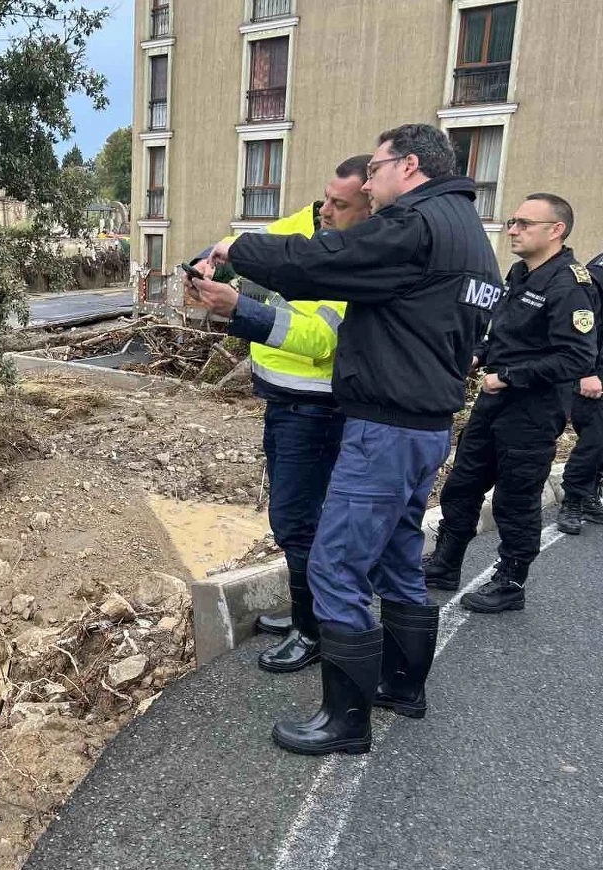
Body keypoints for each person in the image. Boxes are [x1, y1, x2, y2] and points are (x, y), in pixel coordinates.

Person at [200, 123, 501, 756]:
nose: (368, 181)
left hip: (387, 428)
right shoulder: (469, 233)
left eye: (377, 168)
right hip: (424, 427)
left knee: (336, 563)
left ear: (409, 165)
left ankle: (345, 720)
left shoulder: (415, 226)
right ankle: (403, 687)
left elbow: (318, 263)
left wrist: (238, 249)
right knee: (396, 558)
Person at [183, 155, 372, 674]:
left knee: (299, 521)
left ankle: (312, 631)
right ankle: (303, 612)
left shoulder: (357, 259)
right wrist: (211, 262)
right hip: (281, 402)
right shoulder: (307, 223)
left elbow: (320, 339)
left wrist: (238, 308)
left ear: (371, 207)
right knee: (293, 518)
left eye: (341, 204)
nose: (325, 211)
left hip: (317, 410)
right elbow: (250, 245)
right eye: (326, 198)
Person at [424, 195, 597, 612]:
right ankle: (446, 563)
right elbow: (505, 333)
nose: (512, 229)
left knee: (515, 499)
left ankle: (511, 582)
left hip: (532, 410)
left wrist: (508, 375)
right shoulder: (521, 273)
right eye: (512, 221)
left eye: (523, 223)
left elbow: (576, 357)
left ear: (556, 230)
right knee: (463, 483)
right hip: (494, 401)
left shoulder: (570, 285)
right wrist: (480, 355)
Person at [556, 249, 603, 534]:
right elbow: (584, 319)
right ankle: (573, 499)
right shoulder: (599, 270)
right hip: (595, 366)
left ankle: (588, 494)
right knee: (596, 436)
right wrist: (586, 371)